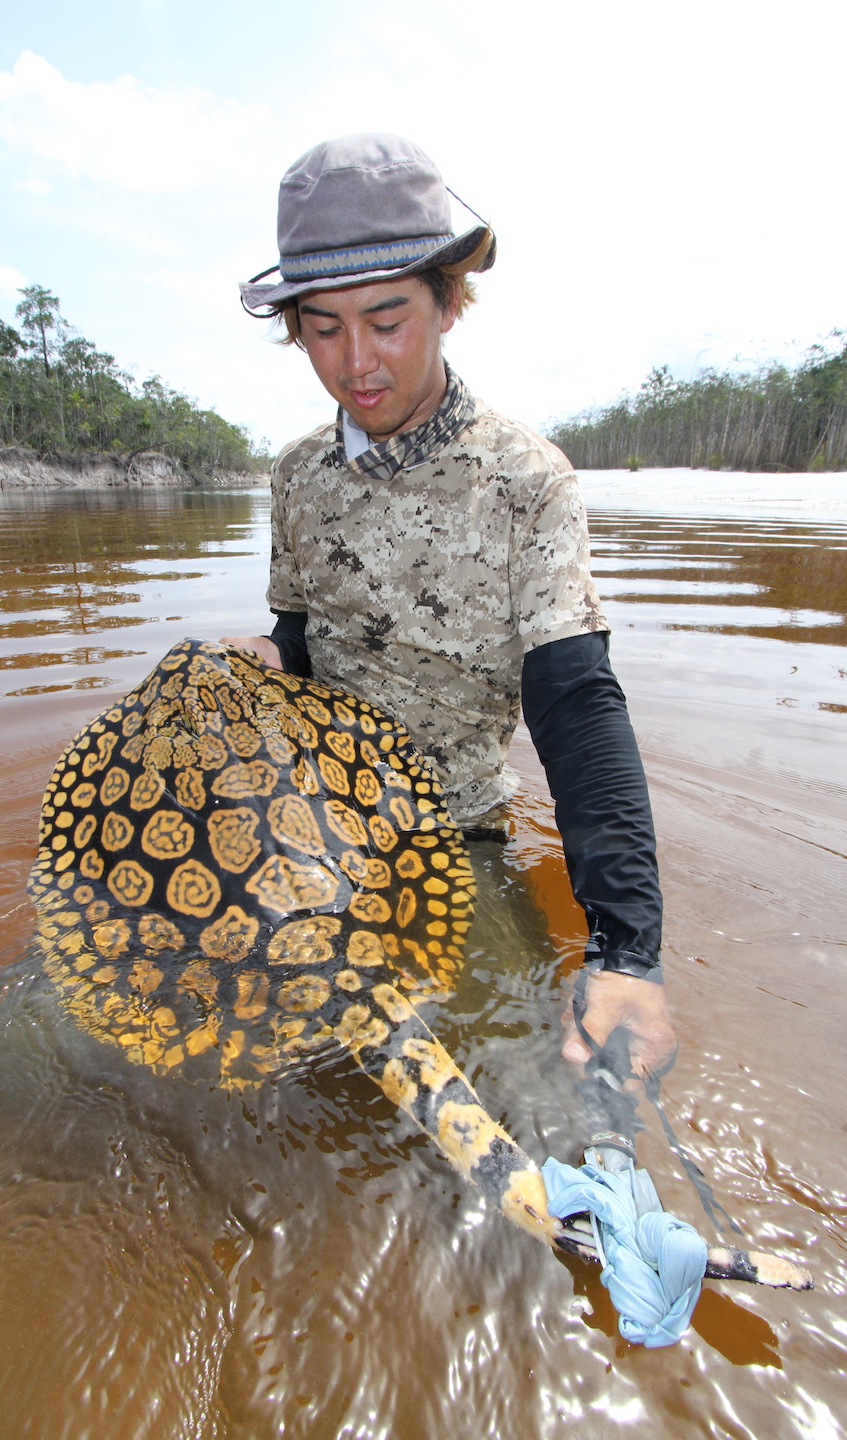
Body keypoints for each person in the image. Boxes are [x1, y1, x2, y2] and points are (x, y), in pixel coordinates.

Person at [224, 133, 675, 1078]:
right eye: (322, 327)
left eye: (387, 318)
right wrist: (261, 663)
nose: (357, 362)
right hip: (303, 830)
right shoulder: (298, 475)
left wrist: (627, 951)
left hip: (450, 841)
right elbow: (299, 639)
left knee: (529, 1086)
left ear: (449, 300)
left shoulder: (526, 481)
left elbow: (576, 705)